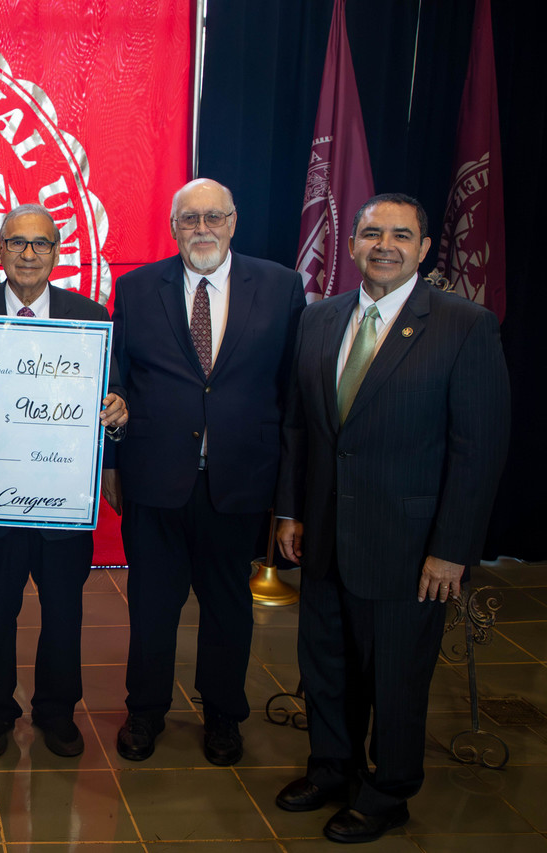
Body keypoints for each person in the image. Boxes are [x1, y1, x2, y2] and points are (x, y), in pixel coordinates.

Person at [274, 194, 509, 843]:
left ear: (425, 248)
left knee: (396, 676)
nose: (384, 244)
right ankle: (332, 768)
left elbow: (478, 450)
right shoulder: (319, 319)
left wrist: (452, 549)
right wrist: (291, 510)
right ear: (350, 244)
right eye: (371, 233)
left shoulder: (464, 325)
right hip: (321, 535)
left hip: (410, 547)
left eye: (401, 235)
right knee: (324, 662)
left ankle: (388, 791)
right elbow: (300, 424)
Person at [106, 178, 304, 766]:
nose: (202, 229)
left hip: (239, 480)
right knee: (151, 606)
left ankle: (223, 714)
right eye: (189, 219)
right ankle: (144, 712)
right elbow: (116, 385)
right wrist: (113, 462)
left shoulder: (280, 286)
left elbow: (292, 394)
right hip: (155, 479)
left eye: (213, 217)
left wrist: (288, 493)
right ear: (172, 227)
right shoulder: (136, 288)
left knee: (228, 608)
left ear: (234, 221)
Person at [0, 203, 126, 759]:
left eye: (41, 244)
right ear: (0, 250)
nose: (29, 254)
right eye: (17, 243)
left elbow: (115, 395)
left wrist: (118, 410)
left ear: (57, 253)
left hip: (62, 498)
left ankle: (56, 711)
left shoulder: (91, 316)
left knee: (64, 610)